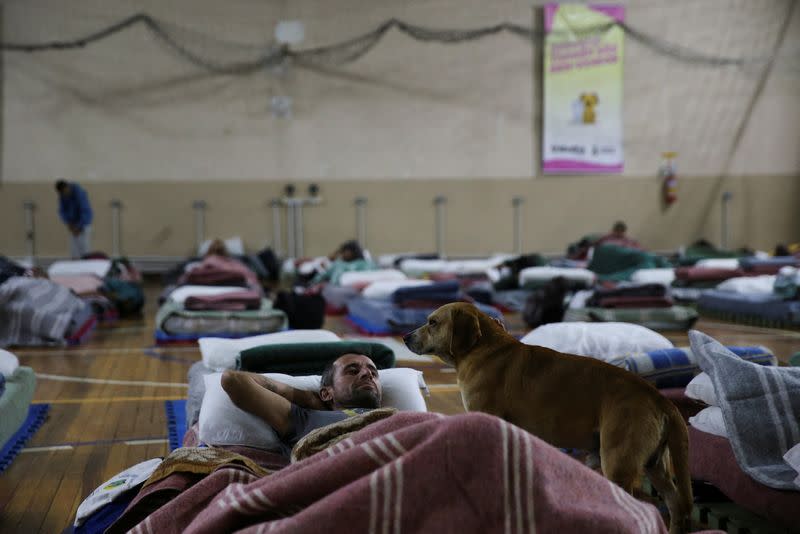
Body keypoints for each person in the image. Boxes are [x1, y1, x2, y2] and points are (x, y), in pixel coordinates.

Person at [221, 353, 382, 455]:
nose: (367, 374)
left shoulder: (397, 416)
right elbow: (233, 380)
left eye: (373, 373)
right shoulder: (306, 419)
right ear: (326, 393)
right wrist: (308, 399)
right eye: (353, 371)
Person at [55, 179, 93, 259]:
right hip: (73, 226)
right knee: (74, 252)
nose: (65, 194)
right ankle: (75, 265)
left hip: (84, 225)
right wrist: (69, 223)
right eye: (62, 193)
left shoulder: (79, 193)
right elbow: (62, 211)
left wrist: (79, 226)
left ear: (67, 187)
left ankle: (86, 266)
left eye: (65, 192)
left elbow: (85, 210)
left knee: (85, 250)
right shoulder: (62, 196)